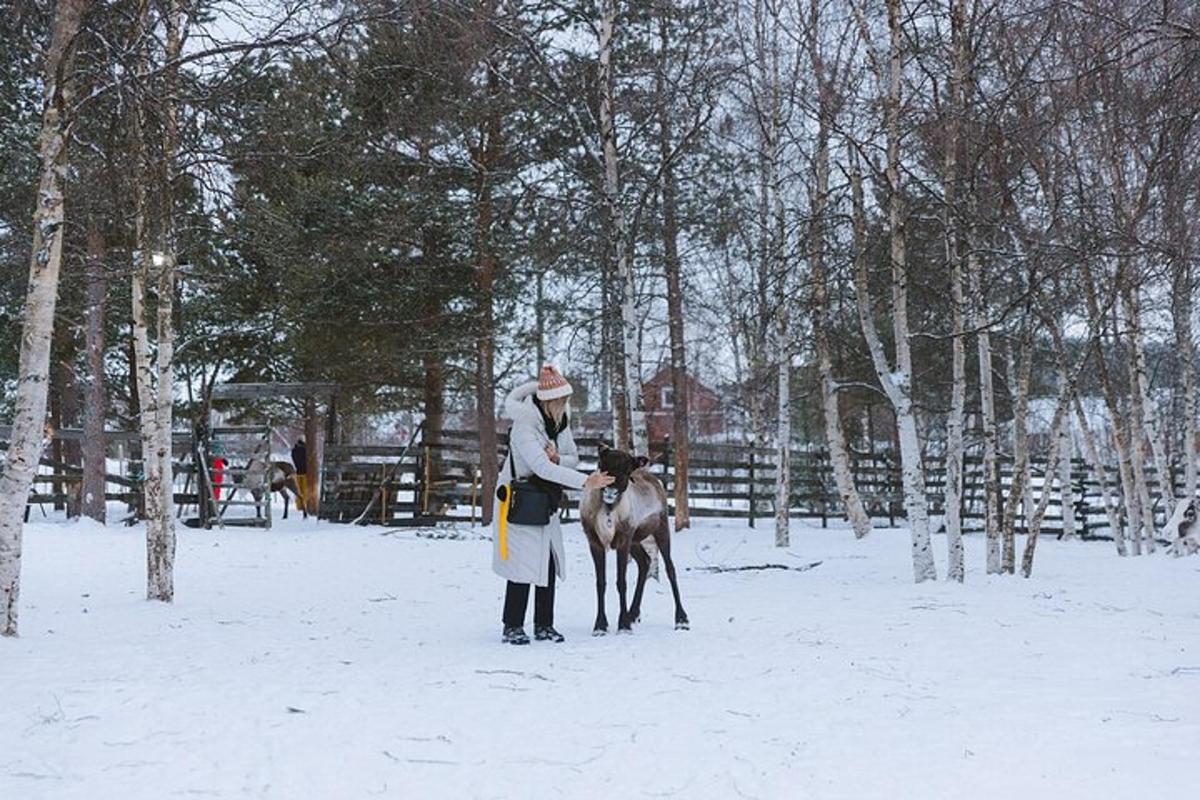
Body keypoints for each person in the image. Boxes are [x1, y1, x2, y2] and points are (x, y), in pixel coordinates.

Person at [492, 366, 614, 645]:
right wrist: (587, 482)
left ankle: (544, 624)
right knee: (520, 564)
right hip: (518, 499)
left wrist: (559, 458)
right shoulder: (525, 426)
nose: (564, 406)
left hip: (544, 498)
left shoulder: (559, 424)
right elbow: (540, 467)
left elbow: (570, 457)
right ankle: (512, 625)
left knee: (547, 560)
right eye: (560, 401)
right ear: (549, 401)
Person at [291, 437, 308, 514]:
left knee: (298, 491)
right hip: (305, 472)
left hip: (297, 472)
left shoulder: (294, 451)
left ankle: (299, 505)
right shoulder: (305, 450)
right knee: (304, 490)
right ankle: (305, 505)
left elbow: (295, 460)